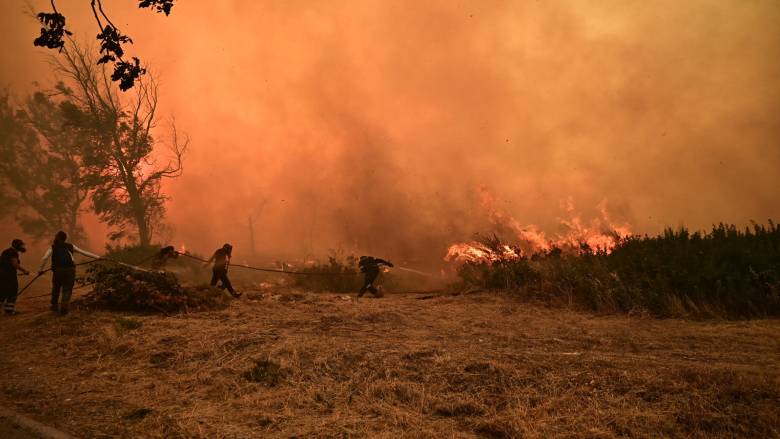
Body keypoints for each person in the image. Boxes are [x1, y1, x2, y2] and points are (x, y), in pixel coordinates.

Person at [38, 231, 100, 315]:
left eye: (56, 236)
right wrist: (98, 257)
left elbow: (45, 258)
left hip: (58, 271)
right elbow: (85, 252)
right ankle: (64, 307)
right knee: (67, 289)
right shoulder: (71, 246)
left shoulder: (53, 247)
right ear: (65, 238)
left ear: (58, 237)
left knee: (56, 288)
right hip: (70, 271)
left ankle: (54, 305)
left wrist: (40, 270)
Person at [1, 239, 30, 315]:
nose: (22, 246)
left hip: (2, 275)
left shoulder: (5, 251)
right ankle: (9, 310)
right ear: (15, 245)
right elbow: (15, 265)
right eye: (20, 245)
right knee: (12, 291)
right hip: (10, 276)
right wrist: (25, 271)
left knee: (2, 291)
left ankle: (6, 309)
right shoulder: (13, 252)